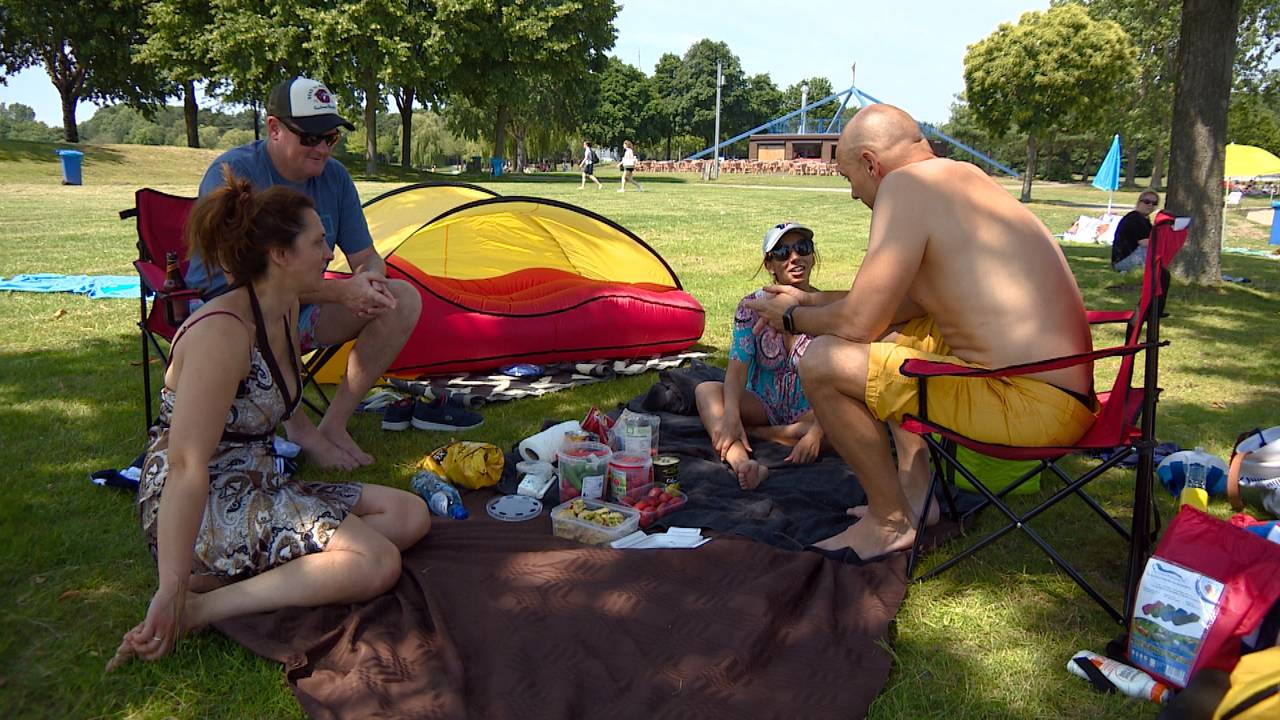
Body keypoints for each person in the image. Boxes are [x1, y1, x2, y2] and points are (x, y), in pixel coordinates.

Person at [106, 169, 431, 672]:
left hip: (257, 481)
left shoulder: (280, 305)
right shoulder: (224, 334)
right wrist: (169, 586)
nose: (330, 252)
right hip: (203, 498)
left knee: (409, 516)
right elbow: (187, 466)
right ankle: (199, 603)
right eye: (320, 241)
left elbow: (319, 292)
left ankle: (236, 572)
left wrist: (347, 294)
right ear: (280, 255)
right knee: (377, 561)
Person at [746, 104, 1095, 561]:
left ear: (872, 163)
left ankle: (888, 522)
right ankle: (916, 496)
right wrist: (808, 300)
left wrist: (790, 320)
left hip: (1030, 407)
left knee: (824, 361)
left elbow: (859, 322)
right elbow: (897, 306)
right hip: (1063, 395)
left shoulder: (903, 186)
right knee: (900, 336)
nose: (855, 195)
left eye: (851, 179)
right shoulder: (961, 177)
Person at [186, 76, 422, 471]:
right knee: (275, 310)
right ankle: (301, 432)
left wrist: (369, 282)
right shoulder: (235, 175)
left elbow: (366, 255)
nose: (322, 148)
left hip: (303, 305)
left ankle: (334, 426)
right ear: (274, 128)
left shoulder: (335, 178)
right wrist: (340, 293)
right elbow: (245, 285)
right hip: (231, 317)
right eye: (310, 137)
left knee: (402, 299)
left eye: (330, 138)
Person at [696, 221, 825, 490]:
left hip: (813, 410)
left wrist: (817, 430)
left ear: (812, 255)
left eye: (802, 248)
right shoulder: (752, 306)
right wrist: (732, 413)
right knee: (706, 391)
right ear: (769, 265)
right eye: (782, 253)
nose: (795, 258)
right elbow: (737, 366)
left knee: (845, 427)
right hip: (763, 403)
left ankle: (755, 434)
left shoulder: (827, 308)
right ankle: (743, 463)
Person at [1112, 190, 1159, 272]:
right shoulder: (1134, 219)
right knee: (1151, 249)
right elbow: (1145, 243)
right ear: (1139, 202)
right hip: (1122, 262)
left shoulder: (1144, 220)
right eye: (1147, 202)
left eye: (1154, 203)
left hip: (1129, 258)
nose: (1150, 205)